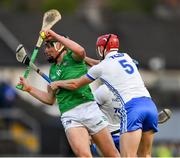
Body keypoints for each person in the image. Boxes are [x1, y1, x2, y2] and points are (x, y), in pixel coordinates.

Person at [49, 33, 159, 157]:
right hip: (150, 106)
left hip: (133, 109)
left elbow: (75, 84)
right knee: (145, 155)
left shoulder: (101, 68)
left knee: (128, 156)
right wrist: (82, 58)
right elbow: (99, 64)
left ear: (102, 49)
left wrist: (58, 83)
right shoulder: (126, 56)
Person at [17, 30, 120, 157]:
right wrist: (29, 89)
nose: (46, 51)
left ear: (59, 46)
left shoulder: (74, 57)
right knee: (84, 155)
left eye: (49, 47)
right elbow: (50, 100)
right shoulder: (52, 71)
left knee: (112, 155)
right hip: (69, 115)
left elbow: (81, 50)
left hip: (89, 108)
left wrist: (55, 35)